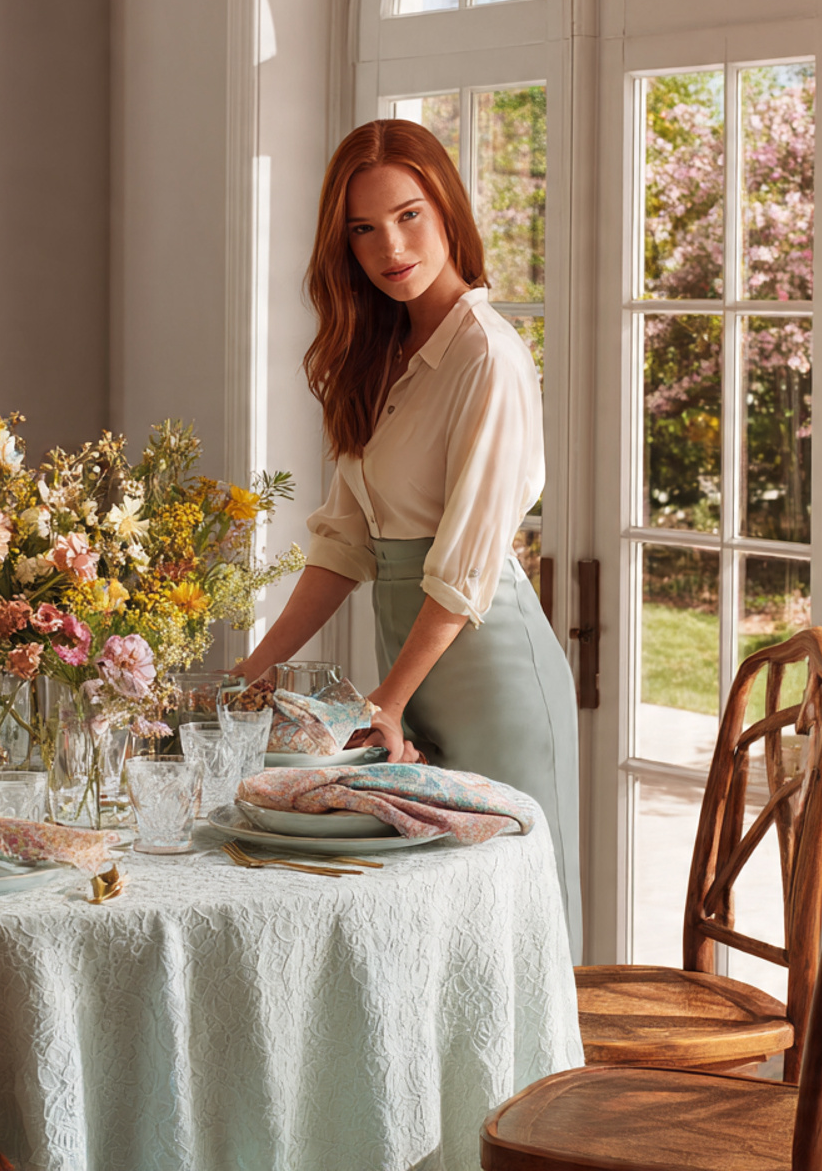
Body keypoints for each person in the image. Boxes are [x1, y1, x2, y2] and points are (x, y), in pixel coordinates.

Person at [235, 119, 580, 951]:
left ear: (449, 211)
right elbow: (345, 545)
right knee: (433, 933)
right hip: (413, 671)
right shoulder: (380, 358)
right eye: (363, 228)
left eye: (409, 215)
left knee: (506, 932)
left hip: (490, 673)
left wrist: (387, 699)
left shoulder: (487, 357)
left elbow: (463, 569)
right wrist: (251, 670)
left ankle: (539, 1090)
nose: (390, 246)